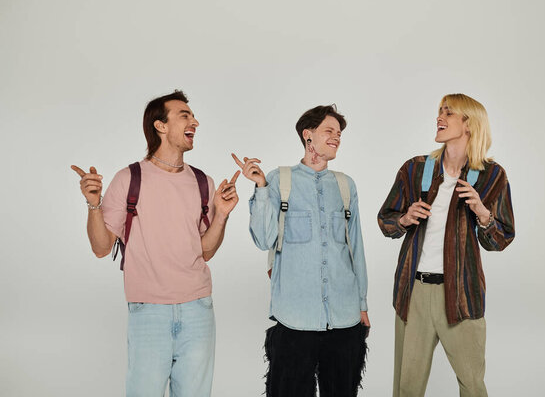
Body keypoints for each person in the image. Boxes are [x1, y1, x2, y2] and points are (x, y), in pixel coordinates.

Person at [71, 90, 239, 397]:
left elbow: (206, 250)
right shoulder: (128, 178)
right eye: (185, 116)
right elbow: (100, 247)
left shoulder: (204, 182)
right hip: (148, 311)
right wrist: (93, 203)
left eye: (193, 115)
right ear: (160, 126)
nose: (195, 122)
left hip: (199, 308)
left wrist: (222, 215)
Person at [378, 94, 515, 397]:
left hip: (461, 296)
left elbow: (501, 238)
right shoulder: (415, 169)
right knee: (406, 388)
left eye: (449, 113)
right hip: (413, 293)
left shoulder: (492, 175)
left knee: (472, 386)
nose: (439, 117)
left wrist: (483, 213)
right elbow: (385, 220)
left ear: (469, 124)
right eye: (439, 111)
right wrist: (404, 219)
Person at [233, 105, 369, 397]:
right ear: (308, 136)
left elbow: (355, 248)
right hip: (294, 319)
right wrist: (259, 187)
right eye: (329, 131)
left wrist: (362, 304)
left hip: (344, 318)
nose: (337, 138)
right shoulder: (279, 180)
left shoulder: (345, 186)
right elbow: (263, 239)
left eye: (339, 134)